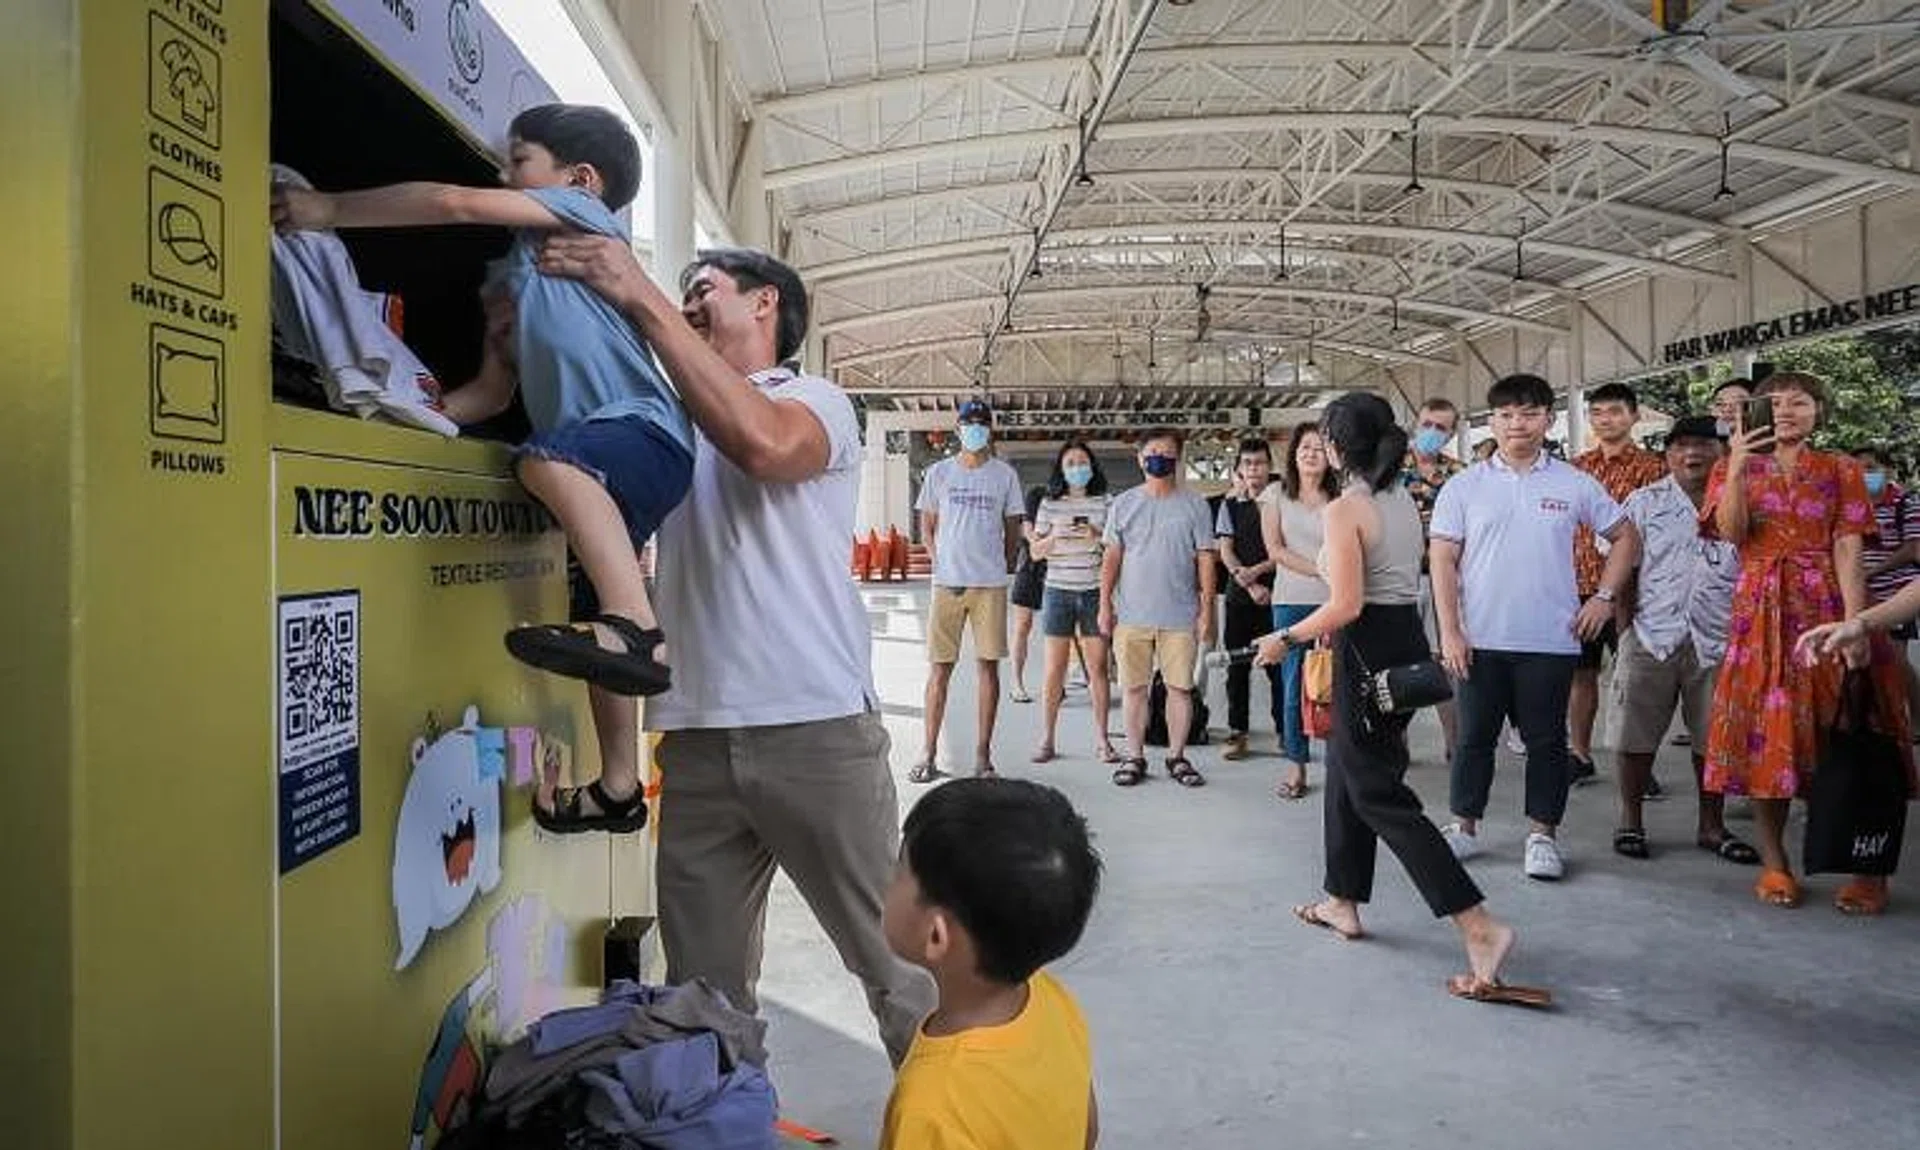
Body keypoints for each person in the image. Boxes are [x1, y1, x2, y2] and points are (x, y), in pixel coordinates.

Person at [531, 236, 935, 1063]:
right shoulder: (663, 421)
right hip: (697, 737)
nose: (684, 298)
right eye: (677, 289)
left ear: (764, 304)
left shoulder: (812, 398)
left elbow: (764, 448)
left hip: (816, 729)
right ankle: (721, 1117)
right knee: (700, 1000)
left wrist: (640, 298)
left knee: (896, 970)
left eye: (702, 286)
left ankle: (964, 1118)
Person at [273, 104, 692, 834]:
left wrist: (325, 209)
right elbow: (493, 393)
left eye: (518, 160)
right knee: (597, 609)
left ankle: (637, 629)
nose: (503, 175)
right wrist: (412, 409)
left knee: (543, 459)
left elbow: (451, 201)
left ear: (580, 179)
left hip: (638, 434)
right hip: (605, 467)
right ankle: (619, 787)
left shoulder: (580, 221)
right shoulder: (518, 280)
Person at [1254, 393, 1545, 1009]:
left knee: (1379, 795)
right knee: (1348, 778)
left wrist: (1284, 638)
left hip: (1364, 649)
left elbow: (1345, 605)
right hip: (1402, 647)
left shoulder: (1346, 508)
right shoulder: (1402, 500)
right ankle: (1342, 899)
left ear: (1335, 447)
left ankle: (1479, 926)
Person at [1703, 372, 1913, 914]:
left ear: (1819, 410)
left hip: (1828, 609)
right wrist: (1737, 467)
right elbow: (1730, 533)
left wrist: (1856, 624)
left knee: (1854, 730)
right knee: (1763, 740)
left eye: (1800, 402)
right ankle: (1776, 864)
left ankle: (1868, 867)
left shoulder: (1841, 468)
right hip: (1759, 618)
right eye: (1775, 404)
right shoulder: (1732, 466)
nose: (1787, 411)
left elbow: (1848, 549)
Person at [1430, 373, 1641, 881]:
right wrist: (1451, 631)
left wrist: (1605, 598)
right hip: (1481, 639)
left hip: (1550, 639)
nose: (1516, 424)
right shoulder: (1465, 486)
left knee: (1547, 741)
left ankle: (1542, 834)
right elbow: (1442, 558)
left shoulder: (1573, 483)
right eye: (1504, 415)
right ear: (1492, 422)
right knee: (1474, 738)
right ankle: (1464, 826)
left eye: (1527, 413)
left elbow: (1625, 537)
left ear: (1548, 418)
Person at [879, 777, 1101, 1149]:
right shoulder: (1052, 1000)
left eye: (901, 871)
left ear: (936, 936)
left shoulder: (931, 1110)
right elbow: (1086, 1129)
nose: (890, 881)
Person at [1606, 417, 1756, 864]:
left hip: (1719, 637)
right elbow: (1623, 566)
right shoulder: (1643, 502)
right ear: (1667, 455)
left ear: (1722, 452)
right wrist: (1624, 628)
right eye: (1682, 446)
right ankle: (1630, 821)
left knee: (1712, 739)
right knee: (1633, 736)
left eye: (1703, 445)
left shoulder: (1741, 500)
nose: (1692, 454)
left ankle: (1711, 826)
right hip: (1651, 634)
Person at [912, 402, 1027, 783]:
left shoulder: (1004, 475)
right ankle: (927, 752)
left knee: (987, 668)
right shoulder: (939, 473)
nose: (975, 428)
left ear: (990, 429)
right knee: (939, 671)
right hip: (947, 584)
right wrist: (937, 559)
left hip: (988, 586)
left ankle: (983, 756)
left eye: (982, 423)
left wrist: (1004, 563)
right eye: (968, 423)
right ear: (958, 428)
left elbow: (1013, 527)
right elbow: (927, 524)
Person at [1100, 430, 1217, 788]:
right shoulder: (1123, 504)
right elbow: (1111, 557)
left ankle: (1176, 756)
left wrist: (1207, 610)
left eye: (1167, 453)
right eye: (1152, 452)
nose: (1159, 458)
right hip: (1132, 615)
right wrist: (1104, 603)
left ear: (1178, 459)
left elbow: (1205, 559)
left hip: (1180, 615)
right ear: (1139, 459)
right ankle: (1135, 756)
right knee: (1133, 689)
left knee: (1180, 688)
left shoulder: (1195, 505)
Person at [1568, 383, 1670, 789]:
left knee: (1634, 679)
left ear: (1634, 417)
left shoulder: (1656, 469)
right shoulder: (1575, 468)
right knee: (1581, 674)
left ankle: (1637, 764)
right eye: (1597, 412)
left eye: (1614, 411)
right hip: (1579, 583)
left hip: (1635, 587)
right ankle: (1579, 754)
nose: (1605, 419)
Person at [1259, 424, 1338, 799]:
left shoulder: (1342, 497)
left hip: (1337, 601)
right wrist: (1321, 570)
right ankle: (1296, 765)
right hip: (1291, 600)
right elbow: (1275, 549)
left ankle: (1342, 762)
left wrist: (1335, 578)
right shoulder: (1275, 494)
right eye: (1304, 447)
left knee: (1337, 685)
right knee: (1294, 687)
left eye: (1319, 448)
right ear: (1293, 453)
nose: (1310, 453)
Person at [1031, 442, 1115, 765]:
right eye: (1070, 462)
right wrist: (1055, 536)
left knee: (1098, 669)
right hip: (1057, 592)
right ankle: (1047, 739)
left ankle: (1103, 741)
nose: (1077, 467)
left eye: (1082, 461)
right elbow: (1037, 552)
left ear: (1092, 466)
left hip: (1094, 592)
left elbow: (1114, 548)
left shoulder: (1106, 501)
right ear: (1061, 468)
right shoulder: (1049, 504)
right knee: (1054, 670)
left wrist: (1096, 534)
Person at [1402, 397, 1467, 762]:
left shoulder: (1460, 475)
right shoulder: (1391, 470)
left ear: (1452, 432)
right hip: (1399, 580)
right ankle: (1398, 743)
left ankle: (1455, 744)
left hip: (1445, 580)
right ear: (1416, 423)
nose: (1432, 433)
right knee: (1398, 659)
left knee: (1448, 662)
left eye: (1441, 428)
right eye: (1427, 424)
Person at [1215, 438, 1281, 764]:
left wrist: (1259, 573)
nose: (1253, 469)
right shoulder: (1230, 506)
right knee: (1237, 669)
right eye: (1247, 464)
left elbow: (1284, 548)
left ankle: (1286, 731)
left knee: (1277, 668)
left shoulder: (1281, 501)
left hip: (1276, 595)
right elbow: (1225, 549)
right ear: (1238, 469)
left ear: (1269, 466)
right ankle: (1237, 732)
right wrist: (1245, 577)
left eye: (1259, 463)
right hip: (1239, 597)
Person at [1854, 446, 1920, 726]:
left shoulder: (1906, 502)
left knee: (1895, 659)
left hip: (1896, 592)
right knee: (1868, 661)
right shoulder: (1851, 506)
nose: (1864, 475)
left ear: (1888, 470)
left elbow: (1913, 549)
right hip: (1860, 593)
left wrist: (1872, 571)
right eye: (1858, 470)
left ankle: (1916, 718)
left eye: (1870, 468)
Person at [1008, 485, 1051, 705]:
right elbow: (1028, 531)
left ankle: (1055, 684)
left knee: (1056, 632)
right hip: (1029, 568)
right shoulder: (1036, 495)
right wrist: (1041, 541)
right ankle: (1016, 682)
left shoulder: (1065, 500)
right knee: (1022, 626)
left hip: (1057, 569)